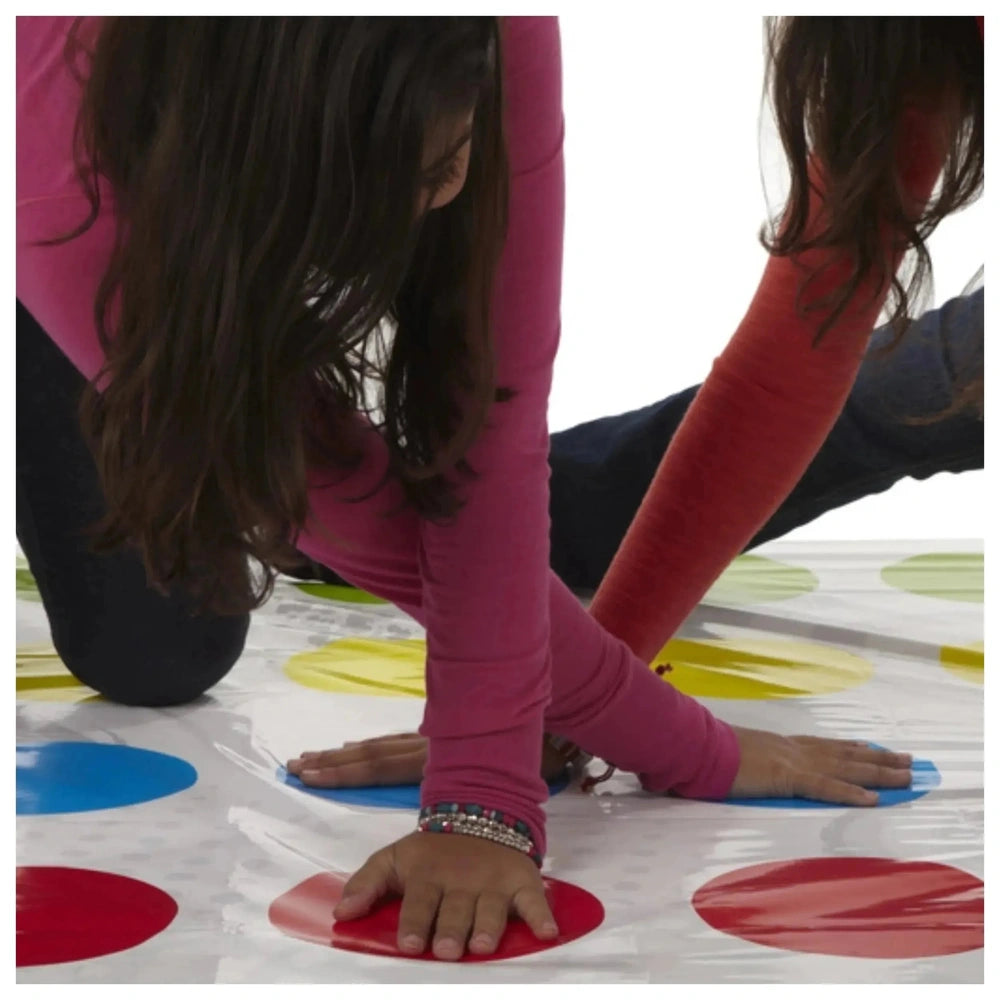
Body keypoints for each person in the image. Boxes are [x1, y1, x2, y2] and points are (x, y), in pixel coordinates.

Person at [15, 16, 980, 961]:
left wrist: (523, 723)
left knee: (203, 635)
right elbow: (332, 492)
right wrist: (604, 732)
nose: (448, 194)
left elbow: (493, 416)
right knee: (156, 649)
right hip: (98, 205)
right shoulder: (58, 149)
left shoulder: (503, 30)